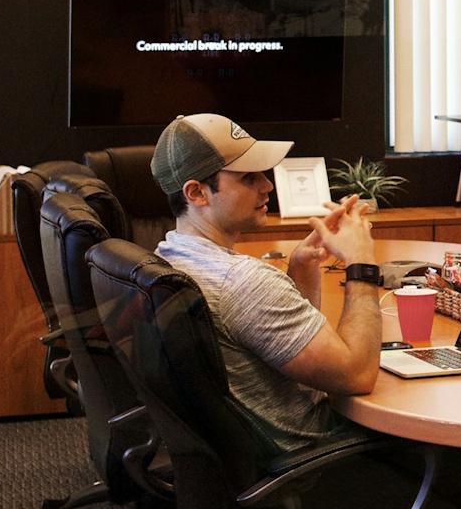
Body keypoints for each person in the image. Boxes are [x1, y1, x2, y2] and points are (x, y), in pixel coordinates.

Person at [151, 113, 383, 452]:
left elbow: (277, 343)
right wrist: (361, 263)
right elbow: (357, 375)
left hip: (244, 459)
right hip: (317, 458)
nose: (267, 185)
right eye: (248, 177)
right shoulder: (243, 283)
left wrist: (301, 267)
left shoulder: (168, 254)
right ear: (197, 193)